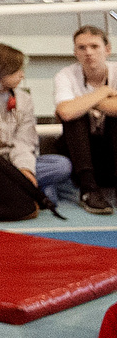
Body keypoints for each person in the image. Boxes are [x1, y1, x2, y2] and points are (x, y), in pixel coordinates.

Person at [0, 42, 71, 203]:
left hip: (17, 162)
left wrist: (26, 169)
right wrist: (10, 172)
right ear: (0, 72)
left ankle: (11, 191)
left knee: (62, 165)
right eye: (18, 70)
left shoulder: (24, 99)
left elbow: (25, 142)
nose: (22, 75)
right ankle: (27, 190)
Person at [51, 25, 116, 215]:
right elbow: (66, 113)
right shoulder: (65, 75)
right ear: (75, 53)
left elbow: (71, 107)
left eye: (94, 46)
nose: (88, 52)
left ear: (107, 49)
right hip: (81, 158)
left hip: (111, 155)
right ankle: (88, 190)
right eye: (82, 48)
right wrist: (104, 93)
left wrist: (85, 102)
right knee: (76, 118)